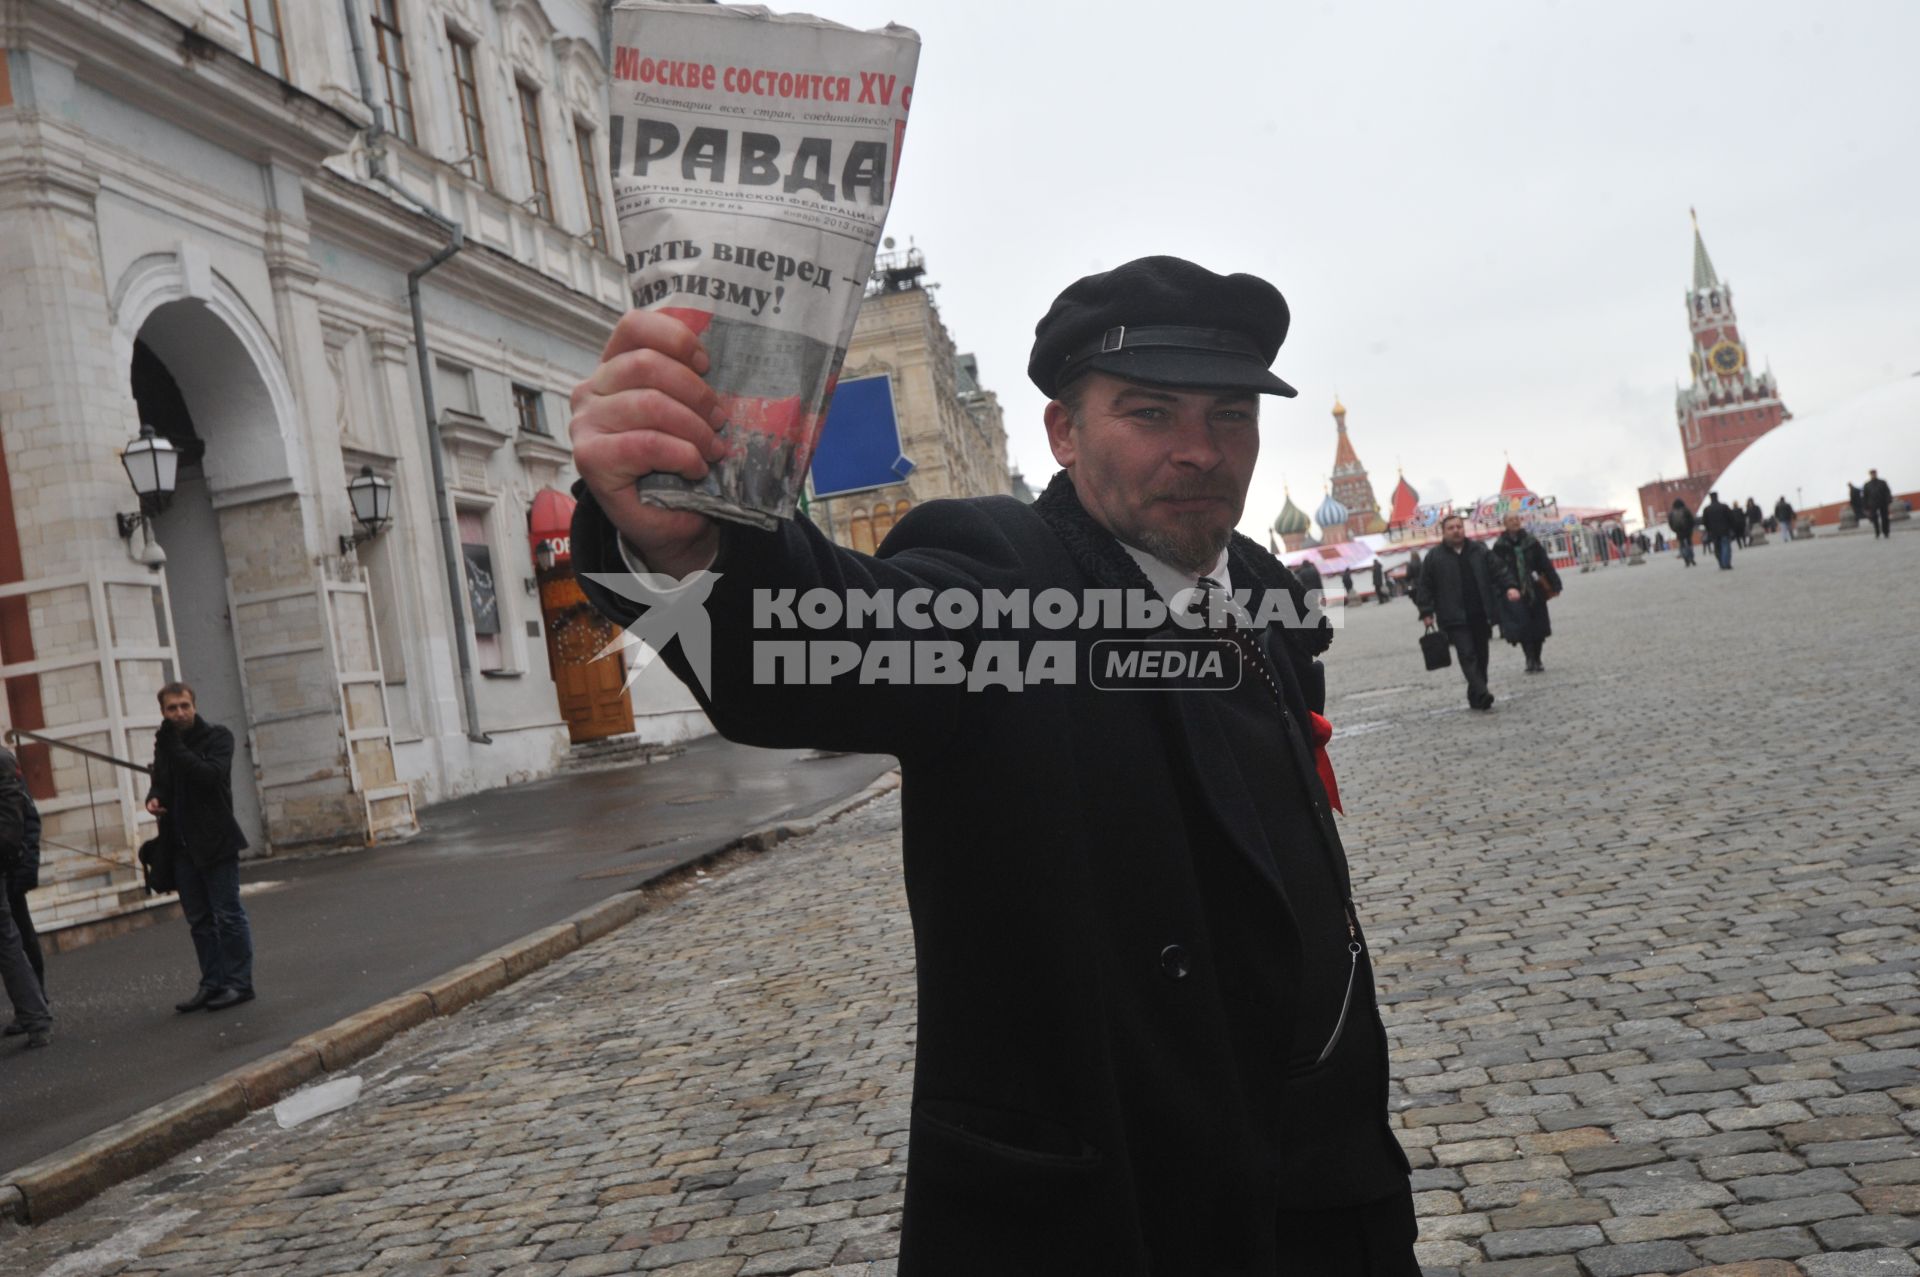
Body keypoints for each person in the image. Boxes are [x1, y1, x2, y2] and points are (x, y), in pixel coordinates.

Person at [569, 256, 1418, 1275]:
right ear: (1064, 432)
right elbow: (805, 636)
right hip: (1125, 1211)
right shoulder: (1001, 579)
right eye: (1150, 413)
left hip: (1334, 1195)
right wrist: (684, 540)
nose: (1200, 450)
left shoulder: (1266, 592)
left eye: (1229, 414)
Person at [146, 683, 254, 1012]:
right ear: (163, 711)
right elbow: (163, 779)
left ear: (195, 705)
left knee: (228, 916)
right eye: (171, 709)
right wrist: (155, 797)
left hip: (215, 840)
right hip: (180, 844)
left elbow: (208, 776)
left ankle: (239, 984)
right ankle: (213, 983)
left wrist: (172, 745)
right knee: (199, 921)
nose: (179, 713)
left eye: (184, 706)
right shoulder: (166, 743)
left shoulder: (218, 737)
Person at [1412, 513, 1513, 710]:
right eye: (1451, 528)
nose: (1456, 530)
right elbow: (1424, 586)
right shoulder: (1434, 557)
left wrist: (1510, 586)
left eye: (1459, 526)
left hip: (1480, 613)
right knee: (1467, 654)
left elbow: (1498, 570)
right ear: (1444, 532)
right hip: (1453, 617)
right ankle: (1483, 692)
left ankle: (1475, 692)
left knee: (1482, 656)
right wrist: (1426, 612)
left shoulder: (1479, 550)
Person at [0, 749, 51, 1048]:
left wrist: (22, 866)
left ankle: (36, 1012)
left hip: (10, 867)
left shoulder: (3, 762)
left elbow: (22, 819)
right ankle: (33, 1013)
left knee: (15, 942)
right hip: (9, 864)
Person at [1491, 513, 1563, 675]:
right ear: (1505, 524)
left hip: (1535, 589)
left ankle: (1537, 658)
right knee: (1523, 626)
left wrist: (1555, 582)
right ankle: (1529, 658)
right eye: (1510, 520)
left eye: (1516, 519)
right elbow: (1496, 569)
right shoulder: (1500, 546)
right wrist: (1499, 589)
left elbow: (1544, 562)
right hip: (1513, 591)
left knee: (1538, 626)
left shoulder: (1531, 542)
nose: (1514, 522)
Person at [1701, 491, 1736, 570]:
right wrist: (1731, 528)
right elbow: (1731, 518)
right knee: (1726, 547)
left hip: (1713, 532)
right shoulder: (1724, 506)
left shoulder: (1707, 509)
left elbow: (1704, 522)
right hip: (1724, 531)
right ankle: (1726, 563)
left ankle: (1721, 563)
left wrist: (1709, 529)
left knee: (1717, 548)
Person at [1863, 469, 1893, 539]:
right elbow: (1865, 496)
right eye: (1872, 474)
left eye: (1874, 473)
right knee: (1874, 519)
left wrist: (1888, 500)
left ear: (1876, 474)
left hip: (1883, 502)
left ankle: (1886, 532)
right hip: (1872, 504)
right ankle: (1877, 532)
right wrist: (1866, 506)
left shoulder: (1882, 482)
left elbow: (1887, 492)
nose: (1873, 475)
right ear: (1870, 475)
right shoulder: (1867, 485)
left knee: (1885, 518)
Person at [1668, 499, 1696, 567]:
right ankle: (1691, 557)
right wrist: (1690, 528)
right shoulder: (1686, 510)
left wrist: (1674, 530)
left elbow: (1670, 524)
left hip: (1679, 532)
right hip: (1687, 530)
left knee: (1682, 545)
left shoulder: (1672, 513)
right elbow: (1691, 520)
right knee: (1689, 544)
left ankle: (1686, 559)